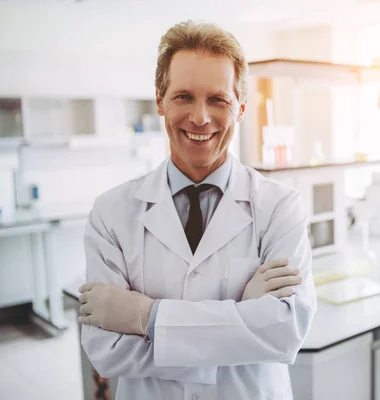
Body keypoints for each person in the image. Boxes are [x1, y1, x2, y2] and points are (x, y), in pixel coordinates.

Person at [77, 21, 317, 400]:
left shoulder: (280, 206)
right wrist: (240, 321)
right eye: (184, 96)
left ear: (240, 107)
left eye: (218, 99)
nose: (201, 117)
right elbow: (108, 351)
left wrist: (145, 316)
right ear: (160, 101)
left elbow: (284, 333)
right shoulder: (111, 213)